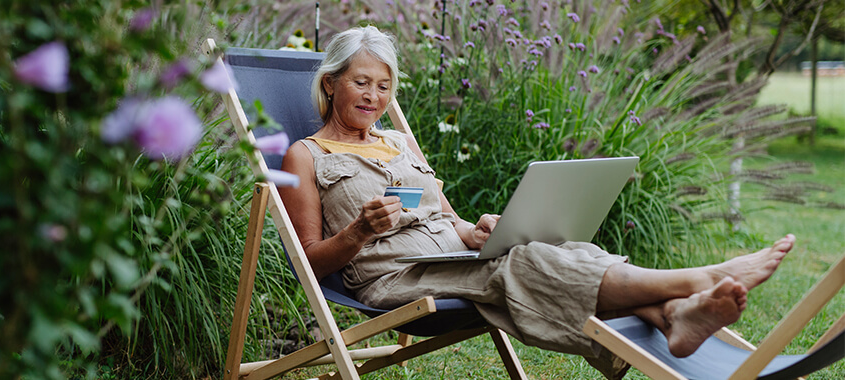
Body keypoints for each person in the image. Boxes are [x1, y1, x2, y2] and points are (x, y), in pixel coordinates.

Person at [277, 25, 794, 379]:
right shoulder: (305, 155)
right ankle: (696, 280)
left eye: (383, 86)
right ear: (331, 83)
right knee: (521, 263)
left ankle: (670, 315)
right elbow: (307, 258)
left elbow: (447, 217)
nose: (373, 96)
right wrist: (359, 232)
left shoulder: (399, 143)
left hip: (449, 255)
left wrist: (475, 230)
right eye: (361, 83)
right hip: (392, 274)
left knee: (559, 246)